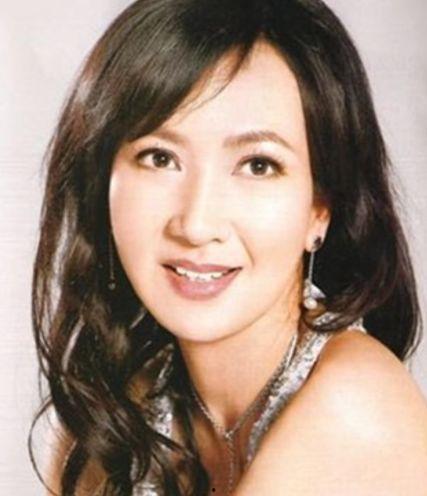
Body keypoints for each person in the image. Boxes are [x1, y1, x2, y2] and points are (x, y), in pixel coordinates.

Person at [29, 0, 427, 495]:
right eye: (160, 158)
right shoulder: (114, 416)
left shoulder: (356, 406)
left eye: (258, 165)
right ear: (101, 182)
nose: (197, 225)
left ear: (320, 209)